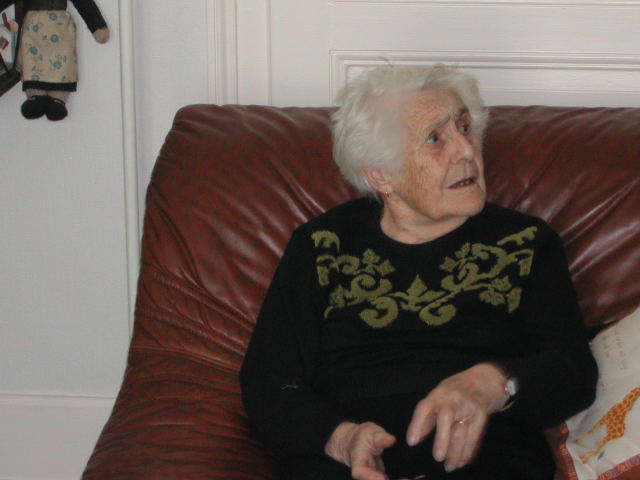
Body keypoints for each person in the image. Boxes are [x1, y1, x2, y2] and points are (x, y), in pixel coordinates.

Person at [240, 65, 598, 480]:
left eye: (465, 128)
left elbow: (572, 371)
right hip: (347, 463)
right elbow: (269, 381)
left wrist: (495, 382)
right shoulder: (322, 245)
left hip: (484, 459)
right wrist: (341, 438)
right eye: (435, 138)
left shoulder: (524, 243)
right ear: (380, 174)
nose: (466, 150)